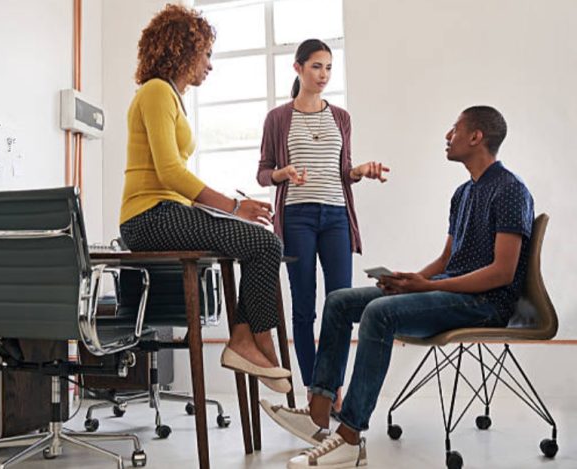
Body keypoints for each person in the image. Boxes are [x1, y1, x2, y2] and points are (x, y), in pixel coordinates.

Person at [260, 105, 534, 468]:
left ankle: (350, 436)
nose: (447, 136)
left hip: (484, 303)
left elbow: (502, 273)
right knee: (339, 301)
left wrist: (427, 286)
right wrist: (410, 282)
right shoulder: (463, 193)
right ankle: (319, 413)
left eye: (454, 129)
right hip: (448, 291)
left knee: (379, 313)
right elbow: (447, 259)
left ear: (475, 137)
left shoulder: (511, 190)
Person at [119, 4, 291, 392]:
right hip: (149, 217)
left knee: (262, 244)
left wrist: (225, 211)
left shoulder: (169, 96)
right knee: (265, 244)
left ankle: (246, 338)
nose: (210, 65)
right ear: (184, 49)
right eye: (206, 54)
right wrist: (234, 207)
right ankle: (253, 340)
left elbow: (171, 179)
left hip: (164, 212)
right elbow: (170, 173)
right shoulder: (156, 91)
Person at [257, 39, 389, 406]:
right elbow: (263, 173)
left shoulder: (341, 118)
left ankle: (334, 390)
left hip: (336, 218)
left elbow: (343, 171)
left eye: (329, 67)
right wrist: (282, 173)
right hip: (296, 217)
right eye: (316, 66)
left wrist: (359, 171)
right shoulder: (278, 118)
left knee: (341, 305)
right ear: (298, 68)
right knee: (304, 308)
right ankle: (314, 390)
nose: (324, 74)